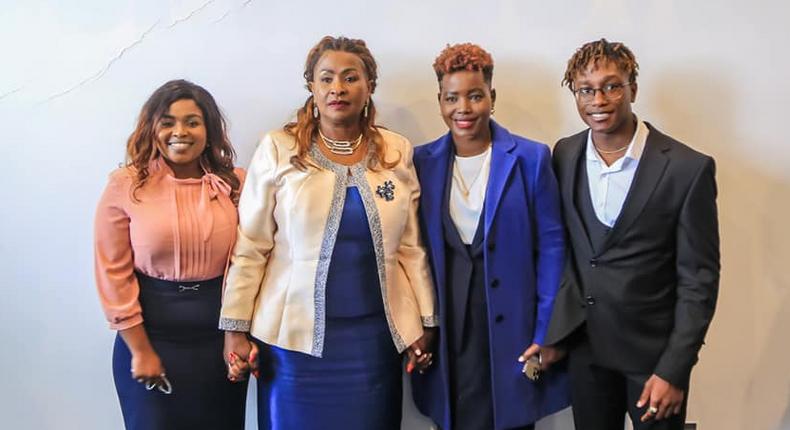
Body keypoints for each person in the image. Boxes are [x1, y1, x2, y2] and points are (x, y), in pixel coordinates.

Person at [218, 36, 437, 430]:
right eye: (327, 78)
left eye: (351, 78)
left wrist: (425, 321)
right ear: (312, 88)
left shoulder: (396, 151)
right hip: (292, 343)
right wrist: (234, 328)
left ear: (369, 86)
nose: (338, 88)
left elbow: (411, 247)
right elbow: (251, 246)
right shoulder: (279, 149)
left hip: (373, 342)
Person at [544, 39, 721, 430]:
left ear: (633, 89)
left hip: (653, 361)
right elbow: (569, 255)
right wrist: (553, 333)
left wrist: (675, 369)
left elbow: (699, 281)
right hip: (586, 353)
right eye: (586, 90)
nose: (599, 99)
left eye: (612, 86)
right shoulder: (564, 154)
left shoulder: (686, 169)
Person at [410, 43, 569, 430]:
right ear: (440, 102)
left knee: (509, 420)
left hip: (512, 325)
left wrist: (548, 331)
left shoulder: (531, 159)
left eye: (475, 96)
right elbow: (409, 249)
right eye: (452, 98)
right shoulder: (420, 162)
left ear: (491, 98)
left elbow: (551, 250)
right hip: (448, 326)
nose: (463, 108)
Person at [94, 79, 248, 429]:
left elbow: (249, 262)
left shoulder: (235, 184)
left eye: (192, 122)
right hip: (150, 340)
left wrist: (237, 334)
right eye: (168, 122)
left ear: (209, 130)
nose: (180, 131)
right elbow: (112, 272)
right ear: (153, 128)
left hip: (220, 344)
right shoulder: (126, 185)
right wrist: (140, 349)